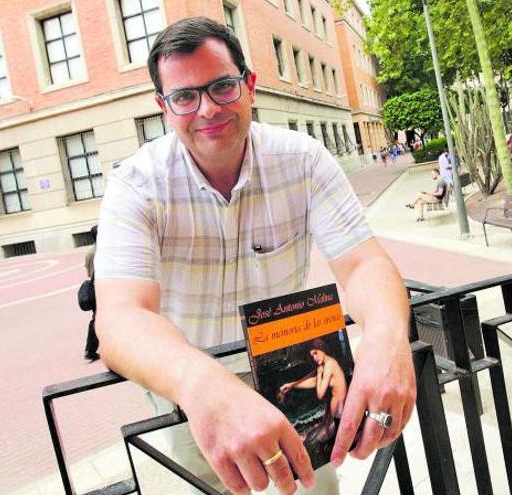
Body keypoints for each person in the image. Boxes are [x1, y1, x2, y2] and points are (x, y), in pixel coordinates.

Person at [94, 17, 415, 495]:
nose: (206, 109)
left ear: (249, 86)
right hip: (187, 388)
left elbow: (364, 262)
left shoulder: (304, 159)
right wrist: (204, 384)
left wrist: (389, 338)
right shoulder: (136, 184)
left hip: (290, 371)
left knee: (315, 490)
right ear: (164, 108)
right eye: (184, 97)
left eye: (222, 86)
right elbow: (119, 319)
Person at [277, 339, 347, 445]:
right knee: (312, 436)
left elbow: (320, 393)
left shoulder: (329, 365)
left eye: (315, 353)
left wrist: (318, 374)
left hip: (338, 413)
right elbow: (311, 378)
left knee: (314, 440)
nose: (314, 358)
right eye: (312, 355)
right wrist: (291, 385)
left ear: (322, 349)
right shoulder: (325, 364)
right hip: (331, 411)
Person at [82, 225, 99, 361]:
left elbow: (88, 272)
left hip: (96, 286)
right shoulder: (105, 249)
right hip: (103, 286)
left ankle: (90, 349)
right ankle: (90, 349)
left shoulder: (90, 252)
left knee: (97, 318)